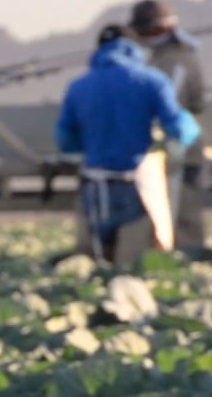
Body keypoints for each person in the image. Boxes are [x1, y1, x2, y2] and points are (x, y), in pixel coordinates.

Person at [56, 24, 202, 267]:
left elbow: (65, 140)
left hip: (96, 186)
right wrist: (185, 136)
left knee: (96, 263)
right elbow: (178, 128)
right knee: (136, 264)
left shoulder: (78, 86)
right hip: (139, 186)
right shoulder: (153, 82)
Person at [130, 0, 207, 255]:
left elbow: (170, 110)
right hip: (175, 152)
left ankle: (185, 259)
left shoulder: (174, 62)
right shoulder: (170, 57)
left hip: (179, 154)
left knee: (178, 219)